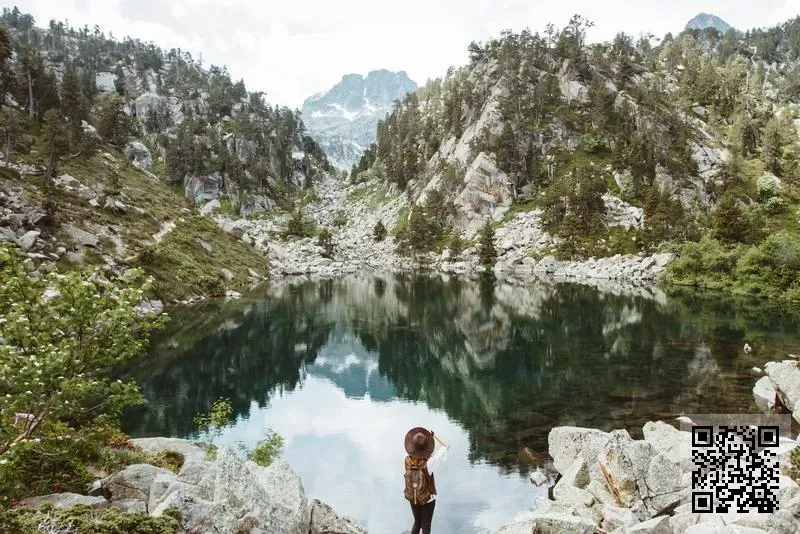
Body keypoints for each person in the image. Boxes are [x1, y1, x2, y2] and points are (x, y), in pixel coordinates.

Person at [403, 427, 448, 534]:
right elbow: (446, 446)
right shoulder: (430, 463)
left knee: (417, 523)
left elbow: (411, 453)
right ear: (426, 447)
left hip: (413, 496)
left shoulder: (406, 459)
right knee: (426, 526)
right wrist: (434, 436)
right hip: (427, 499)